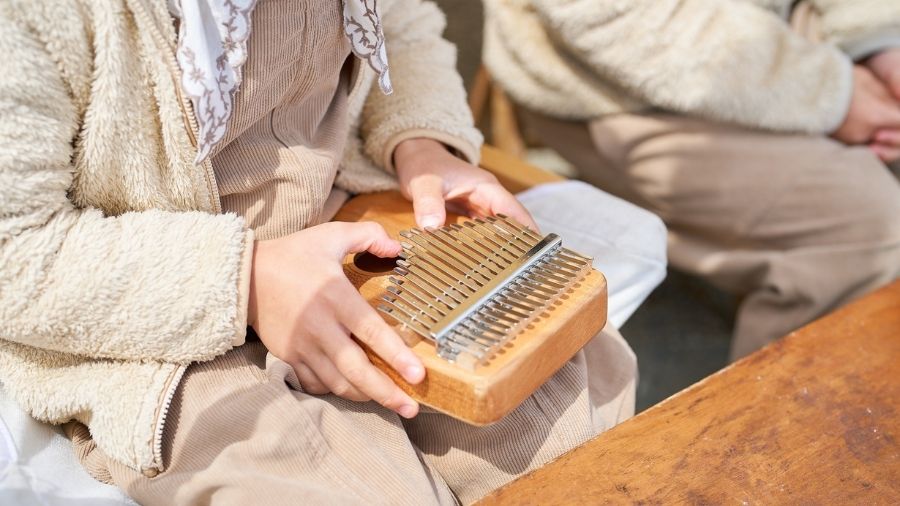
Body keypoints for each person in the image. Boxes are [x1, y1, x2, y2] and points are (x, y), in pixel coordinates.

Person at [0, 0, 666, 504]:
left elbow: (403, 25)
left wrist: (423, 141)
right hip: (164, 324)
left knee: (576, 432)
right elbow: (14, 253)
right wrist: (249, 279)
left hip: (352, 228)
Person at [483, 0, 900, 359]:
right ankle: (770, 433)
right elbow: (618, 22)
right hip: (614, 79)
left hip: (770, 33)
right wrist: (833, 94)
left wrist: (878, 43)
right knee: (863, 223)